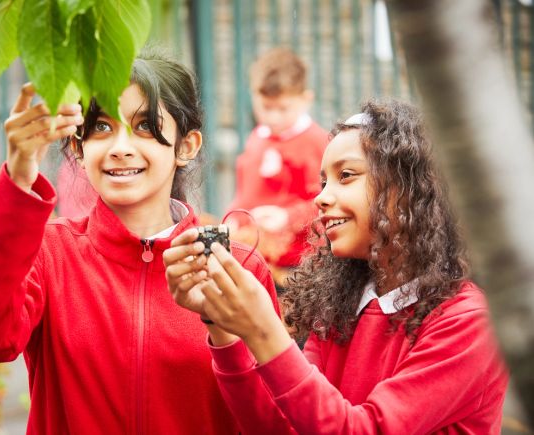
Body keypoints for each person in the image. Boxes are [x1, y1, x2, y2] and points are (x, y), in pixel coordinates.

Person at [0, 47, 280, 434]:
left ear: (186, 147)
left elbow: (272, 417)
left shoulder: (237, 268)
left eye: (144, 126)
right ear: (79, 149)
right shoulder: (50, 253)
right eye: (101, 126)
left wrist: (225, 334)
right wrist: (17, 179)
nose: (120, 147)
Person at [164, 99, 509, 434]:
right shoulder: (342, 306)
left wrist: (263, 330)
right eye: (323, 182)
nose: (321, 197)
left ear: (407, 190)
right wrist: (221, 325)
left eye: (346, 176)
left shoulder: (469, 322)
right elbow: (278, 426)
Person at [226, 47, 329, 289]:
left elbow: (326, 203)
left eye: (282, 108)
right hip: (257, 259)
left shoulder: (317, 143)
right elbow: (245, 195)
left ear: (306, 99)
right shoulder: (256, 138)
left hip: (300, 266)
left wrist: (287, 217)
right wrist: (233, 221)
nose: (272, 117)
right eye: (265, 107)